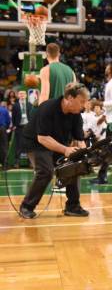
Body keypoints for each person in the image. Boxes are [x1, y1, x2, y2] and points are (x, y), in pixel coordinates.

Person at [19, 83, 90, 219]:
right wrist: (65, 149)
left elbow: (80, 140)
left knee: (73, 166)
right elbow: (43, 138)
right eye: (81, 102)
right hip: (36, 142)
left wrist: (83, 156)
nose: (84, 106)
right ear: (69, 98)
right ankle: (27, 206)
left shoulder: (76, 115)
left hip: (57, 143)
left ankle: (73, 206)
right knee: (46, 171)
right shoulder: (48, 108)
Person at [11, 90, 33, 167]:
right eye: (20, 94)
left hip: (28, 127)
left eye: (23, 94)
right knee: (18, 145)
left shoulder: (30, 105)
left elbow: (32, 116)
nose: (22, 95)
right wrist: (14, 125)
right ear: (18, 95)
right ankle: (16, 162)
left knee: (29, 145)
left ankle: (31, 162)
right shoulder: (15, 105)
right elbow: (13, 117)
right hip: (19, 127)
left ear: (26, 95)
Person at [0, 101, 10, 168]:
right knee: (4, 146)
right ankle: (5, 165)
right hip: (2, 129)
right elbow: (8, 121)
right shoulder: (4, 110)